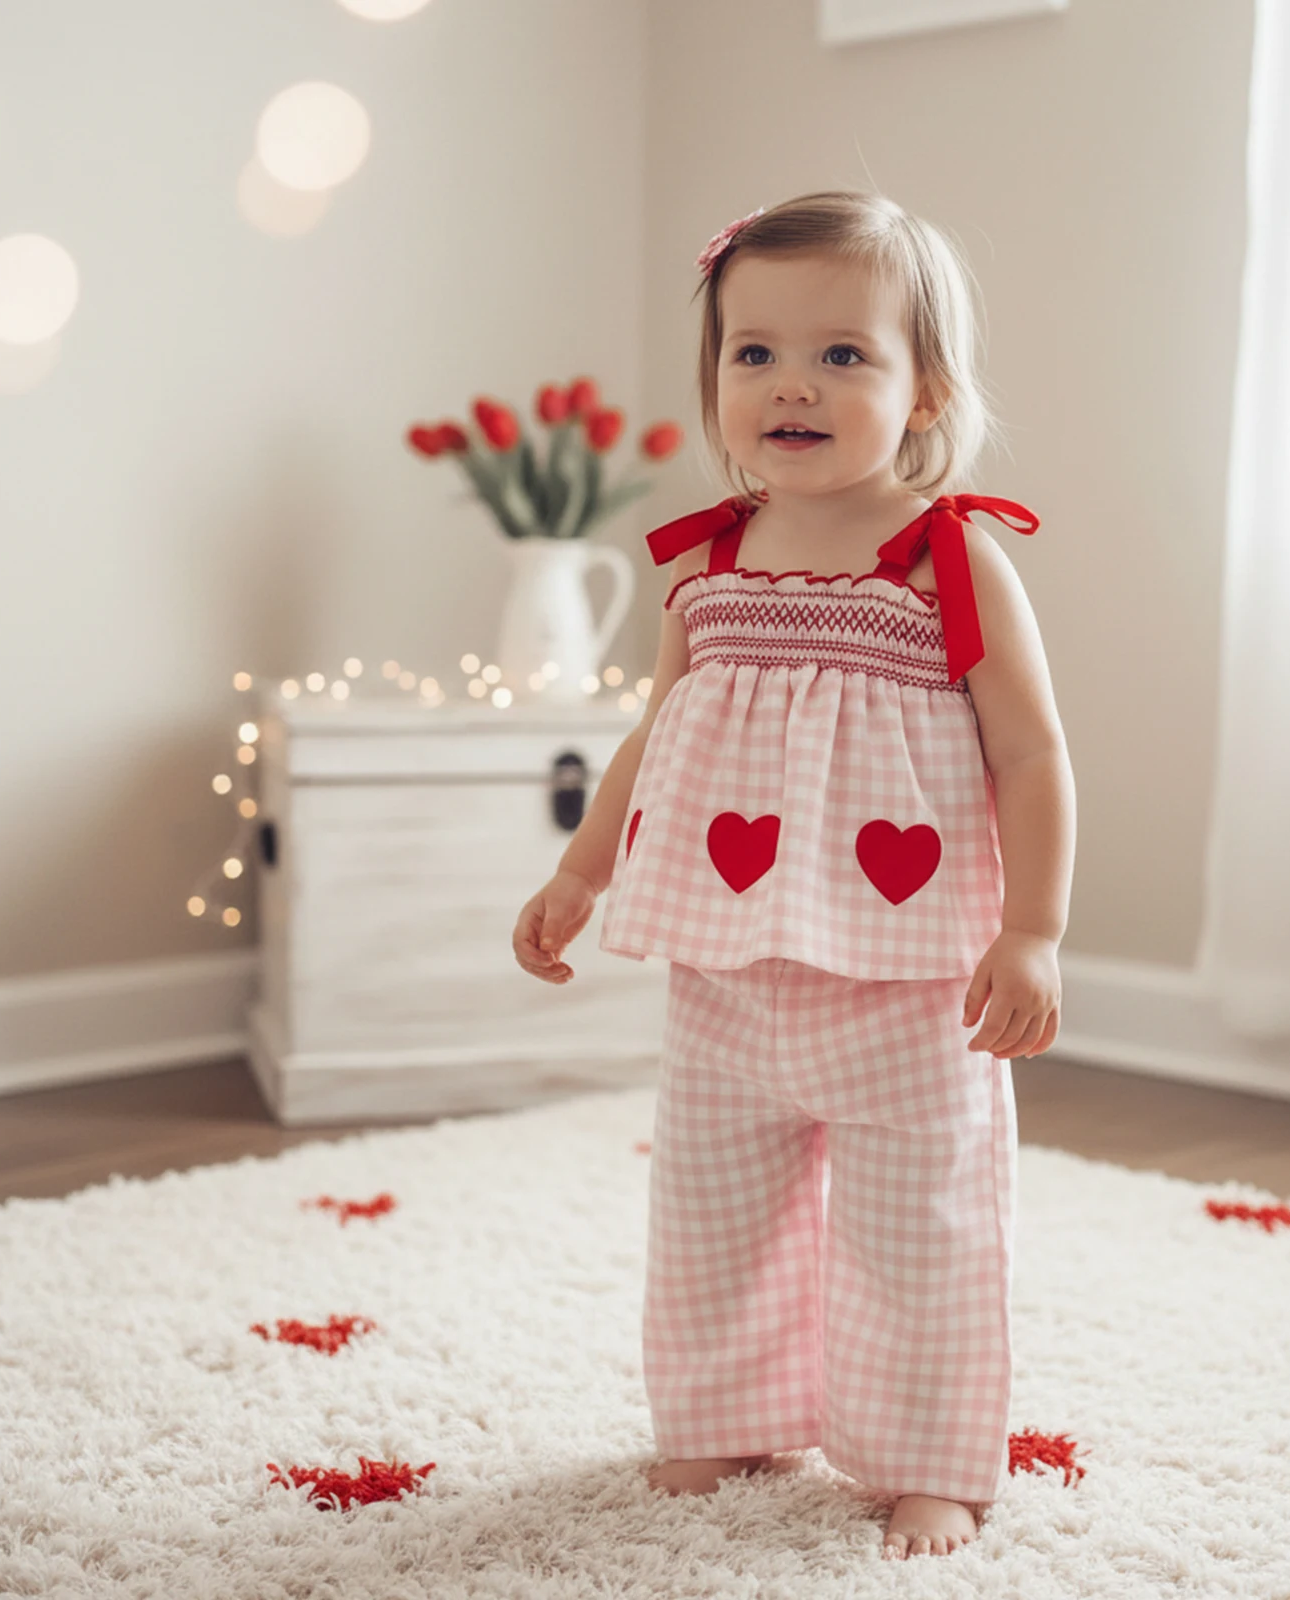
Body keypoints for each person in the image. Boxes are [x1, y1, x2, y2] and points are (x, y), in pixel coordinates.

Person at [511, 190, 1075, 1562]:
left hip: (906, 985)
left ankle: (928, 1459)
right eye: (752, 353)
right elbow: (657, 735)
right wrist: (582, 873)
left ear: (922, 389)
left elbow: (1031, 752)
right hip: (728, 976)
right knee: (710, 1213)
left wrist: (1035, 932)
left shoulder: (951, 559)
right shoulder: (707, 562)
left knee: (918, 1234)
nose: (791, 386)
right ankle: (723, 1414)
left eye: (843, 355)